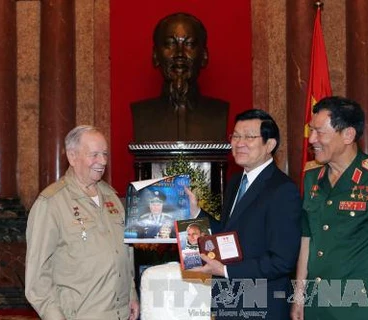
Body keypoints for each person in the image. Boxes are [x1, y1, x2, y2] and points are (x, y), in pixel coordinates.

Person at [290, 96, 368, 320]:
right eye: (311, 131)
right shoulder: (311, 177)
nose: (312, 140)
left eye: (320, 132)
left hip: (364, 309)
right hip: (319, 307)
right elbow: (307, 242)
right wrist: (299, 299)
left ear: (348, 135)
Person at [186, 109, 302, 319]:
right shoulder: (235, 182)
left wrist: (227, 271)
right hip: (230, 303)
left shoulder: (282, 190)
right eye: (236, 136)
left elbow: (282, 260)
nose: (239, 143)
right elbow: (227, 235)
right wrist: (196, 211)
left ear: (270, 145)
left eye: (249, 137)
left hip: (261, 306)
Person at [25, 125, 139, 320]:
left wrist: (131, 294)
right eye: (94, 155)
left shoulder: (112, 197)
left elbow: (126, 254)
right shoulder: (51, 203)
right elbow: (37, 278)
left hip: (120, 314)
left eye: (104, 154)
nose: (102, 161)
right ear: (72, 156)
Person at [131, 12, 229, 142]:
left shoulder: (219, 112)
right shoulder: (141, 114)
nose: (179, 54)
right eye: (170, 44)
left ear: (204, 56)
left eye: (189, 44)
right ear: (155, 56)